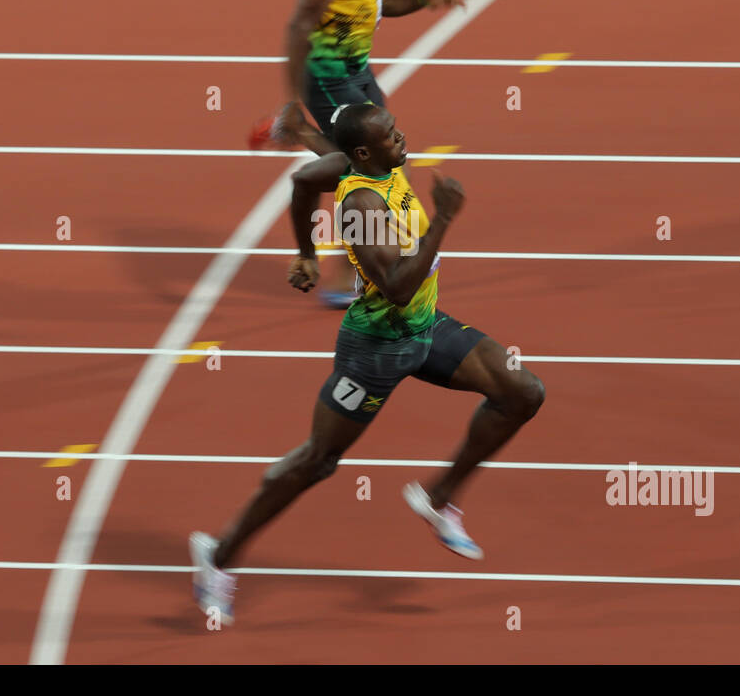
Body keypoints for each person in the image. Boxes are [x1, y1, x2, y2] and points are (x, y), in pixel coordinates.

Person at [193, 103, 546, 625]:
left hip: (426, 329)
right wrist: (443, 219)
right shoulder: (360, 205)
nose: (401, 138)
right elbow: (399, 288)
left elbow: (305, 179)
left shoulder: (371, 162)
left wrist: (306, 252)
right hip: (376, 348)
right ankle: (218, 558)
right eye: (390, 135)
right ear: (364, 152)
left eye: (397, 128)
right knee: (318, 461)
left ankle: (439, 496)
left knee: (523, 391)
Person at [248, 0, 463, 305]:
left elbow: (382, 1)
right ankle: (319, 261)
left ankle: (354, 268)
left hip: (358, 69)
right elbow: (297, 27)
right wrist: (292, 100)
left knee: (384, 156)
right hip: (326, 74)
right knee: (363, 169)